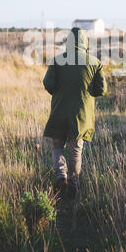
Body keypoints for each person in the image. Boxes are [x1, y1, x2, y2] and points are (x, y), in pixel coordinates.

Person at [43, 27, 107, 200]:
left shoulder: (57, 60)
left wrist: (61, 91)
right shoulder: (94, 62)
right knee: (76, 150)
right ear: (85, 43)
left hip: (59, 110)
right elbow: (101, 89)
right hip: (81, 114)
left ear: (68, 42)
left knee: (57, 146)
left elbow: (48, 84)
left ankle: (60, 176)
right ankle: (73, 184)